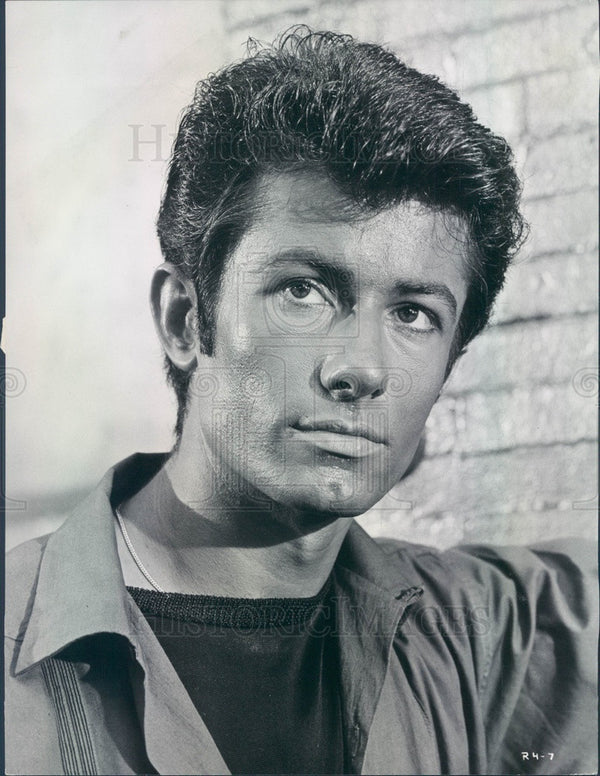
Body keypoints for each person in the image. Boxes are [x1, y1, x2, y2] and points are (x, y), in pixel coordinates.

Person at [5, 27, 597, 776]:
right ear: (187, 320)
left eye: (414, 312)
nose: (362, 369)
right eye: (304, 291)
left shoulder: (477, 640)